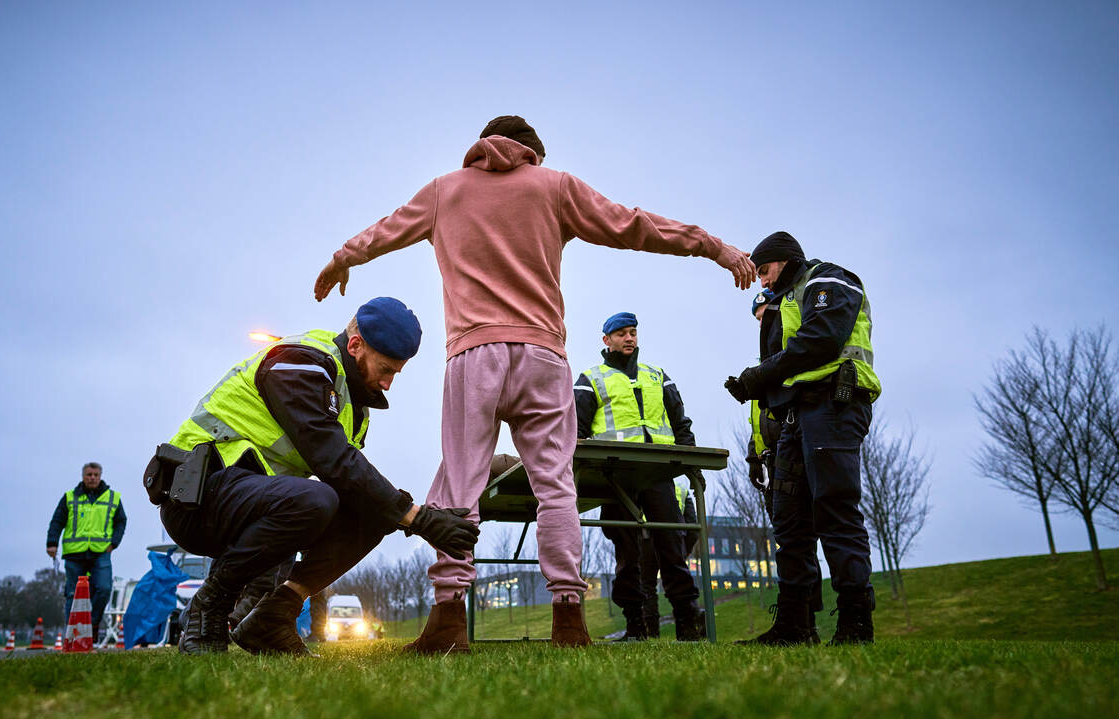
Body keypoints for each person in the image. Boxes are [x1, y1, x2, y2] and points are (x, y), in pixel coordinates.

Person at [314, 115, 754, 653]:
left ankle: (449, 622)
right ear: (532, 154)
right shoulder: (555, 186)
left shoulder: (443, 192)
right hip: (543, 356)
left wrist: (344, 258)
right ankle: (569, 620)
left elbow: (386, 228)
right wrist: (711, 246)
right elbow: (634, 224)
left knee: (459, 486)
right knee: (555, 487)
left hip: (473, 354)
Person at [148, 297, 479, 655]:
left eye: (395, 373)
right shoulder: (299, 362)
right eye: (385, 369)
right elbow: (333, 460)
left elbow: (354, 483)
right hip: (198, 497)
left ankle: (273, 617)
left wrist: (409, 514)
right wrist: (418, 518)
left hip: (248, 502)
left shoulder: (351, 402)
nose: (388, 383)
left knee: (372, 510)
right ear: (355, 345)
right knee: (319, 500)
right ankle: (209, 606)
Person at [724, 232, 880, 645]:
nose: (762, 281)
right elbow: (787, 359)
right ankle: (795, 625)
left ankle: (855, 623)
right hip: (796, 416)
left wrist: (760, 376)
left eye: (764, 270)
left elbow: (821, 341)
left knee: (835, 509)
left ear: (784, 259)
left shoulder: (828, 281)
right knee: (789, 521)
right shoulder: (786, 298)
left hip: (834, 405)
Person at [574, 312, 705, 641]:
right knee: (627, 554)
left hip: (657, 474)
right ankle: (635, 625)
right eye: (621, 334)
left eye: (632, 332)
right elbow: (575, 430)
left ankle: (687, 622)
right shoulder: (590, 379)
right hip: (614, 476)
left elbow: (680, 423)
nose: (629, 338)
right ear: (607, 341)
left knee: (672, 548)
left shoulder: (657, 375)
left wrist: (691, 466)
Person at [744, 285, 824, 639]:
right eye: (759, 319)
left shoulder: (783, 363)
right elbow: (757, 418)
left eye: (765, 315)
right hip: (770, 461)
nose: (763, 323)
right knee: (787, 538)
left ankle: (808, 619)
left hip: (792, 453)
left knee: (801, 539)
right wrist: (753, 454)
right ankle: (794, 620)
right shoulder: (765, 366)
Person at [46, 462, 126, 642]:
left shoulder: (112, 498)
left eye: (95, 475)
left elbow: (121, 521)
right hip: (75, 554)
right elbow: (57, 521)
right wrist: (52, 543)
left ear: (100, 476)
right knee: (72, 594)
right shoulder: (69, 497)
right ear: (83, 476)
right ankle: (72, 635)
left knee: (104, 588)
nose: (92, 478)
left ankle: (94, 623)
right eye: (89, 474)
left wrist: (114, 543)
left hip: (101, 552)